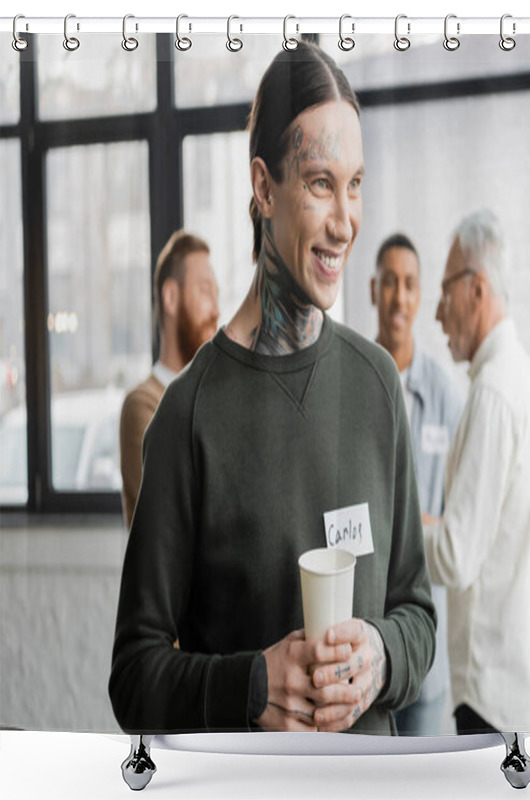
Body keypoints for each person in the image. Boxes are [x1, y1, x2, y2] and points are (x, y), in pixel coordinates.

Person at [109, 42, 435, 736]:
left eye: (355, 184)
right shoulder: (187, 415)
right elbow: (134, 676)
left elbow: (417, 612)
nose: (346, 222)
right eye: (321, 184)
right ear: (264, 188)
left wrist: (382, 654)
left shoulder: (377, 384)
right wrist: (250, 685)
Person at [423, 210, 530, 735]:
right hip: (513, 687)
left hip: (491, 697)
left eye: (444, 291)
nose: (438, 313)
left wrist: (393, 527)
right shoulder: (519, 378)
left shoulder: (494, 393)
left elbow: (456, 558)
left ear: (476, 290)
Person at [370, 233, 462, 735]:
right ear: (372, 289)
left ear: (420, 294)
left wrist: (415, 527)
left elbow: (463, 520)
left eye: (408, 284)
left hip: (426, 649)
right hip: (365, 637)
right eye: (389, 283)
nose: (399, 297)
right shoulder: (355, 381)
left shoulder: (447, 397)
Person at [119, 230, 219, 528]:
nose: (216, 309)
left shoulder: (214, 397)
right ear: (171, 297)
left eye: (217, 294)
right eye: (204, 291)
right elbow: (173, 522)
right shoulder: (141, 405)